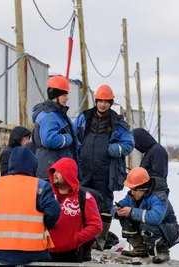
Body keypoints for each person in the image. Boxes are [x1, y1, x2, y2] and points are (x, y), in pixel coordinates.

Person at [73, 85, 134, 250]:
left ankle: (99, 241)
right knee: (81, 202)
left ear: (110, 102)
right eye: (100, 101)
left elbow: (129, 143)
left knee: (104, 205)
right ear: (96, 101)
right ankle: (82, 239)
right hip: (84, 170)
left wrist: (112, 149)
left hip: (106, 172)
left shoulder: (118, 122)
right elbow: (72, 136)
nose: (102, 105)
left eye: (106, 101)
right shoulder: (83, 118)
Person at [0, 146, 60, 266]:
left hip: (3, 252)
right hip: (35, 251)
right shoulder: (40, 186)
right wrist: (41, 225)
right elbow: (54, 211)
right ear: (33, 166)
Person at [112, 167, 179, 264]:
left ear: (143, 187)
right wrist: (117, 211)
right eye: (131, 189)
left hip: (168, 230)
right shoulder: (132, 195)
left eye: (134, 189)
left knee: (146, 223)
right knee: (126, 218)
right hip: (152, 227)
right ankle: (140, 249)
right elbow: (114, 207)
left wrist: (132, 212)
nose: (132, 192)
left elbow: (156, 217)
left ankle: (163, 252)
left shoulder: (159, 196)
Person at [47, 157, 102, 262]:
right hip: (45, 252)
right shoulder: (46, 194)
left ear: (68, 174)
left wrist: (76, 239)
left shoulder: (85, 197)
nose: (54, 174)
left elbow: (96, 225)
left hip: (71, 253)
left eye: (59, 171)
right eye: (54, 171)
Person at [31, 75, 78, 181]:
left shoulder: (56, 113)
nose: (67, 97)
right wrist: (68, 138)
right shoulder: (49, 115)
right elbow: (49, 139)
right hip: (51, 171)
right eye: (64, 94)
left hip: (53, 169)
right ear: (56, 95)